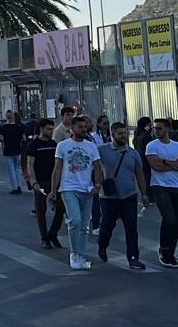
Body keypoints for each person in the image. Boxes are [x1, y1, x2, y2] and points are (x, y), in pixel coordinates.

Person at [51, 115, 103, 271]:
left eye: (85, 127)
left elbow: (97, 166)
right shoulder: (63, 146)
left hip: (86, 189)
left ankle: (80, 255)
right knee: (75, 220)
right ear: (72, 129)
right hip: (68, 188)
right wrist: (54, 189)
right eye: (80, 127)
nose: (83, 129)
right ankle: (74, 254)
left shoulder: (91, 146)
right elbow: (57, 168)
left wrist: (97, 185)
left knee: (84, 225)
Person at [97, 121, 149, 269]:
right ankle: (102, 245)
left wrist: (144, 194)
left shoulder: (133, 153)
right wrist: (96, 183)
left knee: (131, 228)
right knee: (107, 225)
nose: (123, 136)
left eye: (125, 133)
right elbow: (93, 165)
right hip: (109, 197)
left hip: (129, 196)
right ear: (113, 134)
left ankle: (133, 257)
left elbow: (139, 174)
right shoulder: (101, 150)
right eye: (120, 133)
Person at [145, 117, 178, 267]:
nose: (156, 131)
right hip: (159, 186)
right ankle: (164, 250)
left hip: (177, 186)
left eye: (159, 128)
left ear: (167, 129)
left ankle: (170, 251)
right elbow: (156, 166)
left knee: (176, 221)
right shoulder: (152, 146)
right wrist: (174, 164)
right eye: (155, 128)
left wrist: (166, 161)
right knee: (169, 218)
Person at [24, 119, 61, 248]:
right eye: (48, 129)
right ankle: (44, 238)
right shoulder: (34, 145)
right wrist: (33, 182)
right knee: (41, 210)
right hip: (41, 181)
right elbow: (30, 164)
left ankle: (53, 234)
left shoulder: (54, 144)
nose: (51, 131)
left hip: (54, 180)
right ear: (41, 129)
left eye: (52, 128)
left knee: (60, 209)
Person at [0, 110, 25, 195]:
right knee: (17, 168)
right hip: (17, 149)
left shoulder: (3, 128)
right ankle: (19, 185)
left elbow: (1, 139)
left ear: (6, 117)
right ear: (14, 117)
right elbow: (24, 138)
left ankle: (14, 187)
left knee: (11, 168)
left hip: (8, 149)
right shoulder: (19, 127)